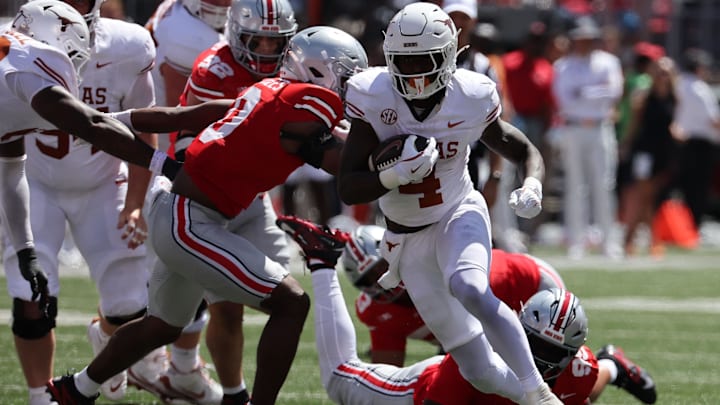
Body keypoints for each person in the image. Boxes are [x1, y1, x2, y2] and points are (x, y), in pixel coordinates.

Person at [46, 25, 369, 405]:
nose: (348, 88)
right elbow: (346, 155)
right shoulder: (306, 101)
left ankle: (74, 390)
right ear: (318, 71)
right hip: (190, 221)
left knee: (162, 327)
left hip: (184, 215)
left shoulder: (268, 93)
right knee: (291, 303)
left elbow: (185, 114)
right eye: (345, 77)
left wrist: (117, 118)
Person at [337, 2, 556, 404]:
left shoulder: (470, 95)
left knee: (469, 286)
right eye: (406, 61)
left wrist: (533, 184)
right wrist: (394, 175)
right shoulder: (373, 94)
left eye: (426, 60)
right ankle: (539, 400)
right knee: (479, 371)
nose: (417, 73)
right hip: (408, 237)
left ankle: (540, 392)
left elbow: (522, 148)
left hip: (458, 210)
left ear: (449, 56)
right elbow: (348, 187)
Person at [275, 215, 658, 405]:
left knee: (586, 383)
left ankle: (615, 364)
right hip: (430, 383)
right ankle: (323, 263)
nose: (539, 362)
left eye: (553, 354)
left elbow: (578, 378)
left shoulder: (576, 367)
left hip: (531, 286)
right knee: (341, 379)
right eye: (533, 347)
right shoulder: (475, 369)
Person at [1, 7, 181, 403]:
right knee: (31, 295)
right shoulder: (18, 68)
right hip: (37, 182)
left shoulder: (125, 46)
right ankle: (40, 395)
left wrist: (135, 201)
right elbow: (88, 127)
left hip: (101, 181)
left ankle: (105, 344)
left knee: (129, 302)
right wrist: (170, 167)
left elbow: (137, 121)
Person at [141, 1, 297, 402]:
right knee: (216, 305)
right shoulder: (215, 68)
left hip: (250, 194)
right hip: (202, 194)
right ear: (236, 34)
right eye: (256, 40)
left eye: (273, 41)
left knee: (276, 297)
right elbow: (220, 144)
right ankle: (232, 393)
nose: (265, 50)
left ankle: (206, 383)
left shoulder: (294, 65)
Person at [341, 224, 564, 366]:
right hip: (475, 322)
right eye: (369, 279)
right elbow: (388, 374)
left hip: (532, 286)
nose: (378, 282)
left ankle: (600, 362)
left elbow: (483, 343)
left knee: (552, 374)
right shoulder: (378, 312)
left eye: (381, 268)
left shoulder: (439, 273)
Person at [551, 16, 624, 259]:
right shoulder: (562, 66)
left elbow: (613, 92)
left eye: (588, 38)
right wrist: (595, 92)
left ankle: (608, 241)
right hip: (574, 128)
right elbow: (565, 99)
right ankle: (577, 240)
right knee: (575, 185)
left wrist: (584, 92)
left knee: (604, 184)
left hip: (600, 128)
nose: (584, 43)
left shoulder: (609, 62)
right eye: (580, 39)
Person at [620, 56, 680, 256]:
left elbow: (672, 122)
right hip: (644, 151)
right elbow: (635, 125)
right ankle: (643, 239)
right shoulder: (644, 97)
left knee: (651, 196)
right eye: (659, 72)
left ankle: (637, 239)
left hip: (663, 152)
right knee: (644, 195)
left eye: (666, 72)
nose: (662, 76)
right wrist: (626, 144)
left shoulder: (674, 97)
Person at [673, 48, 720, 229]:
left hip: (681, 142)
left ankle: (683, 226)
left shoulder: (678, 84)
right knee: (698, 188)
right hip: (700, 144)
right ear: (698, 68)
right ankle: (693, 227)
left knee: (683, 187)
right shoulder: (700, 89)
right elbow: (714, 120)